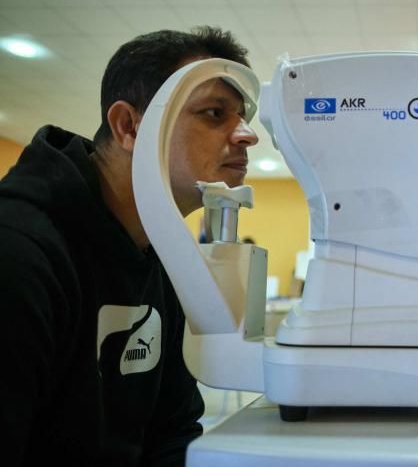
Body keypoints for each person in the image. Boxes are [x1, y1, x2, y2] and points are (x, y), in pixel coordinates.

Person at [0, 26, 259, 465]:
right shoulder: (18, 252)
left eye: (242, 116)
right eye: (215, 113)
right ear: (129, 126)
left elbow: (174, 430)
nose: (247, 135)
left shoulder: (162, 255)